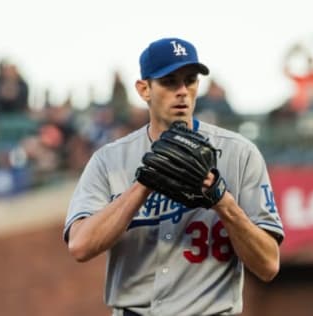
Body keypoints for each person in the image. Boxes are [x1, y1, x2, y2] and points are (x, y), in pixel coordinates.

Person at [63, 37, 284, 316]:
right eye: (169, 81)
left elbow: (268, 265)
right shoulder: (109, 160)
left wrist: (222, 201)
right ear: (144, 89)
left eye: (190, 80)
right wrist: (144, 184)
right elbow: (80, 246)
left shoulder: (239, 154)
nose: (182, 91)